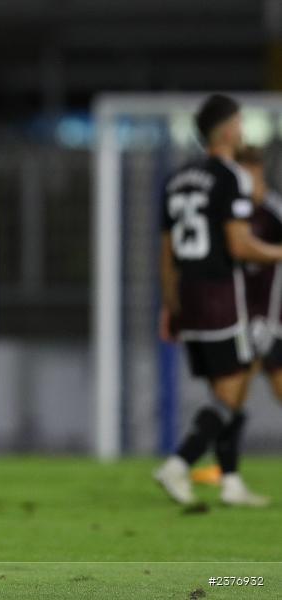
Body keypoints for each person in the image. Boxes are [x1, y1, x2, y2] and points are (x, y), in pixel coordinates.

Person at [154, 95, 275, 507]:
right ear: (226, 130)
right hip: (222, 295)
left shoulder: (176, 179)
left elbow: (167, 254)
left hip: (188, 296)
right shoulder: (232, 176)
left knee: (225, 390)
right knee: (232, 393)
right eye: (240, 122)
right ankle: (178, 464)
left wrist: (170, 305)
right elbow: (239, 245)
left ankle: (231, 482)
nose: (243, 129)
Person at [190, 146, 281, 496]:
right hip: (237, 317)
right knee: (231, 396)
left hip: (272, 319)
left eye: (255, 177)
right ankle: (227, 475)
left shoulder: (273, 212)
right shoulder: (227, 213)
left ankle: (192, 463)